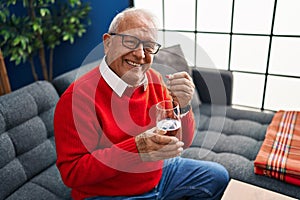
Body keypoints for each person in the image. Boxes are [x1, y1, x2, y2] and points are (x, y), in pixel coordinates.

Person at [54, 7, 229, 200]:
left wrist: (184, 106)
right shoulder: (76, 98)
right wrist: (137, 149)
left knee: (218, 177)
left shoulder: (154, 78)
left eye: (148, 46)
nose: (140, 54)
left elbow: (183, 142)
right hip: (109, 193)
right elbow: (72, 173)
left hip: (161, 175)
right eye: (130, 41)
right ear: (108, 43)